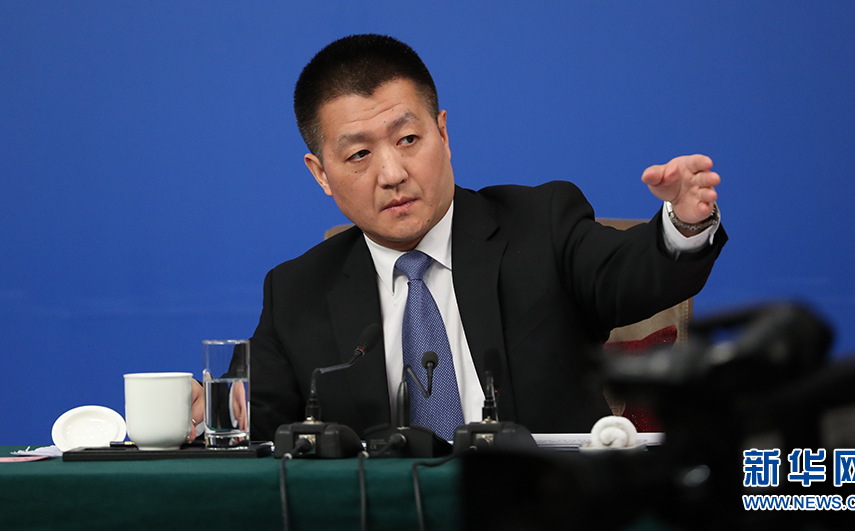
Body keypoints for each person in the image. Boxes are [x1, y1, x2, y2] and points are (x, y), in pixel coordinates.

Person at [191, 34, 727, 441]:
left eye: (408, 139)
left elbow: (632, 274)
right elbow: (251, 417)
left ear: (443, 133)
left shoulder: (539, 225)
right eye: (359, 154)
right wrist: (202, 411)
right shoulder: (297, 291)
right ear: (321, 174)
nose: (392, 173)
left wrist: (682, 224)